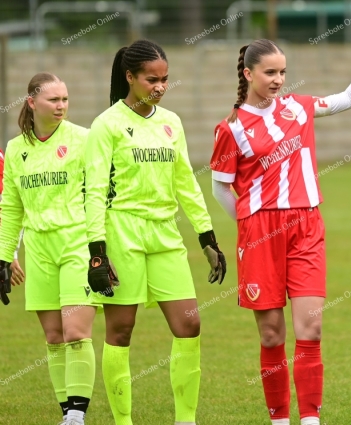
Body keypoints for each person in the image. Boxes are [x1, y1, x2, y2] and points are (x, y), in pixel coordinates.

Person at [209, 20, 351, 425]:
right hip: (260, 232)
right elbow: (221, 189)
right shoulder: (231, 129)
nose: (279, 80)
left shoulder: (298, 107)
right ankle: (280, 418)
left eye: (282, 72)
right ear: (248, 74)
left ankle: (310, 418)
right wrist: (247, 226)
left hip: (307, 227)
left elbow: (347, 99)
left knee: (310, 331)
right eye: (270, 73)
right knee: (272, 335)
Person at [84, 40, 226, 425]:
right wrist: (97, 252)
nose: (160, 87)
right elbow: (95, 191)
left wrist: (206, 237)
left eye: (165, 79)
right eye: (152, 80)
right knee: (121, 329)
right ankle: (124, 421)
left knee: (189, 323)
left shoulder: (171, 122)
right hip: (121, 233)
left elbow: (185, 183)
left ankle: (185, 420)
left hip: (165, 236)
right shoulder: (106, 125)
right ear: (130, 77)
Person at [0, 72, 97, 425]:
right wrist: (2, 256)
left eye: (65, 100)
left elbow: (103, 194)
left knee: (75, 332)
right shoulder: (15, 149)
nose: (61, 106)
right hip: (39, 250)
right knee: (54, 336)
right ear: (32, 102)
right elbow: (11, 208)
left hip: (78, 244)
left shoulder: (85, 139)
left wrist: (102, 247)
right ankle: (66, 412)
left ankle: (76, 414)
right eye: (53, 100)